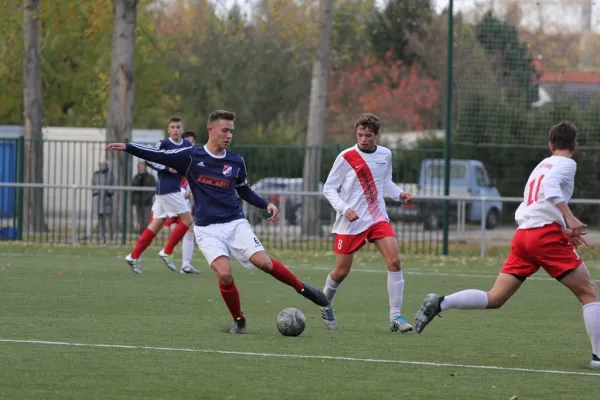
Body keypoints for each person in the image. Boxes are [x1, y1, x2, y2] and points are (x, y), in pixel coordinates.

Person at [106, 110, 328, 333]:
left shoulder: (236, 160)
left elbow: (243, 189)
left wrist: (265, 204)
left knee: (265, 264)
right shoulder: (191, 156)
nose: (229, 135)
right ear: (211, 131)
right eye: (225, 130)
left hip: (235, 223)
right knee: (225, 275)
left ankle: (302, 288)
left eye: (231, 131)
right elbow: (159, 155)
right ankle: (239, 320)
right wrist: (128, 147)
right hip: (207, 229)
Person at [414, 121, 600, 370]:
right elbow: (550, 188)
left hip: (525, 236)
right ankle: (599, 357)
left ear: (550, 144)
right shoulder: (567, 163)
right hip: (544, 237)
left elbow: (537, 202)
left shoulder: (541, 165)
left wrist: (560, 228)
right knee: (589, 293)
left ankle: (441, 302)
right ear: (575, 146)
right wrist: (569, 218)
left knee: (496, 297)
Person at [320, 113, 414, 333]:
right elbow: (329, 188)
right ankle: (325, 304)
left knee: (395, 261)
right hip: (351, 221)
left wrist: (400, 194)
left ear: (376, 135)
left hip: (377, 217)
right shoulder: (346, 156)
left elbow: (386, 182)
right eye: (360, 134)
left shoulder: (385, 154)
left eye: (368, 135)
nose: (363, 138)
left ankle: (395, 317)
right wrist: (345, 209)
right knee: (341, 272)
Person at [124, 117, 194, 274]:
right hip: (167, 188)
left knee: (155, 225)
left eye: (178, 127)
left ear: (182, 130)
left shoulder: (187, 145)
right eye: (172, 127)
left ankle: (134, 256)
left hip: (171, 189)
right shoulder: (163, 144)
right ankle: (167, 252)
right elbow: (148, 159)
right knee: (188, 220)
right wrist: (167, 167)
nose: (175, 129)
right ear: (168, 130)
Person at [161, 131, 199, 274]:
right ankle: (138, 256)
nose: (190, 143)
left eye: (192, 141)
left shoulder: (194, 157)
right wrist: (184, 192)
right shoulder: (178, 157)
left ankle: (185, 264)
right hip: (174, 195)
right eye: (188, 140)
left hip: (184, 197)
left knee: (189, 228)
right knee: (157, 224)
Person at [91, 160, 116, 244]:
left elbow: (114, 185)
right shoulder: (96, 174)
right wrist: (95, 193)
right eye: (100, 165)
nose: (101, 166)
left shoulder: (111, 174)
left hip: (107, 200)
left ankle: (112, 237)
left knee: (110, 220)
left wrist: (109, 192)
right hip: (98, 200)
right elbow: (93, 185)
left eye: (103, 165)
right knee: (101, 220)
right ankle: (102, 237)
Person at [131, 161, 156, 235]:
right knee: (140, 220)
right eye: (139, 167)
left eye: (142, 167)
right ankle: (141, 235)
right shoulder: (136, 177)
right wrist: (132, 201)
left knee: (146, 220)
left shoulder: (150, 177)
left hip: (147, 202)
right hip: (138, 202)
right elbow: (133, 189)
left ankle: (145, 235)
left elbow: (154, 189)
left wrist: (148, 196)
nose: (140, 168)